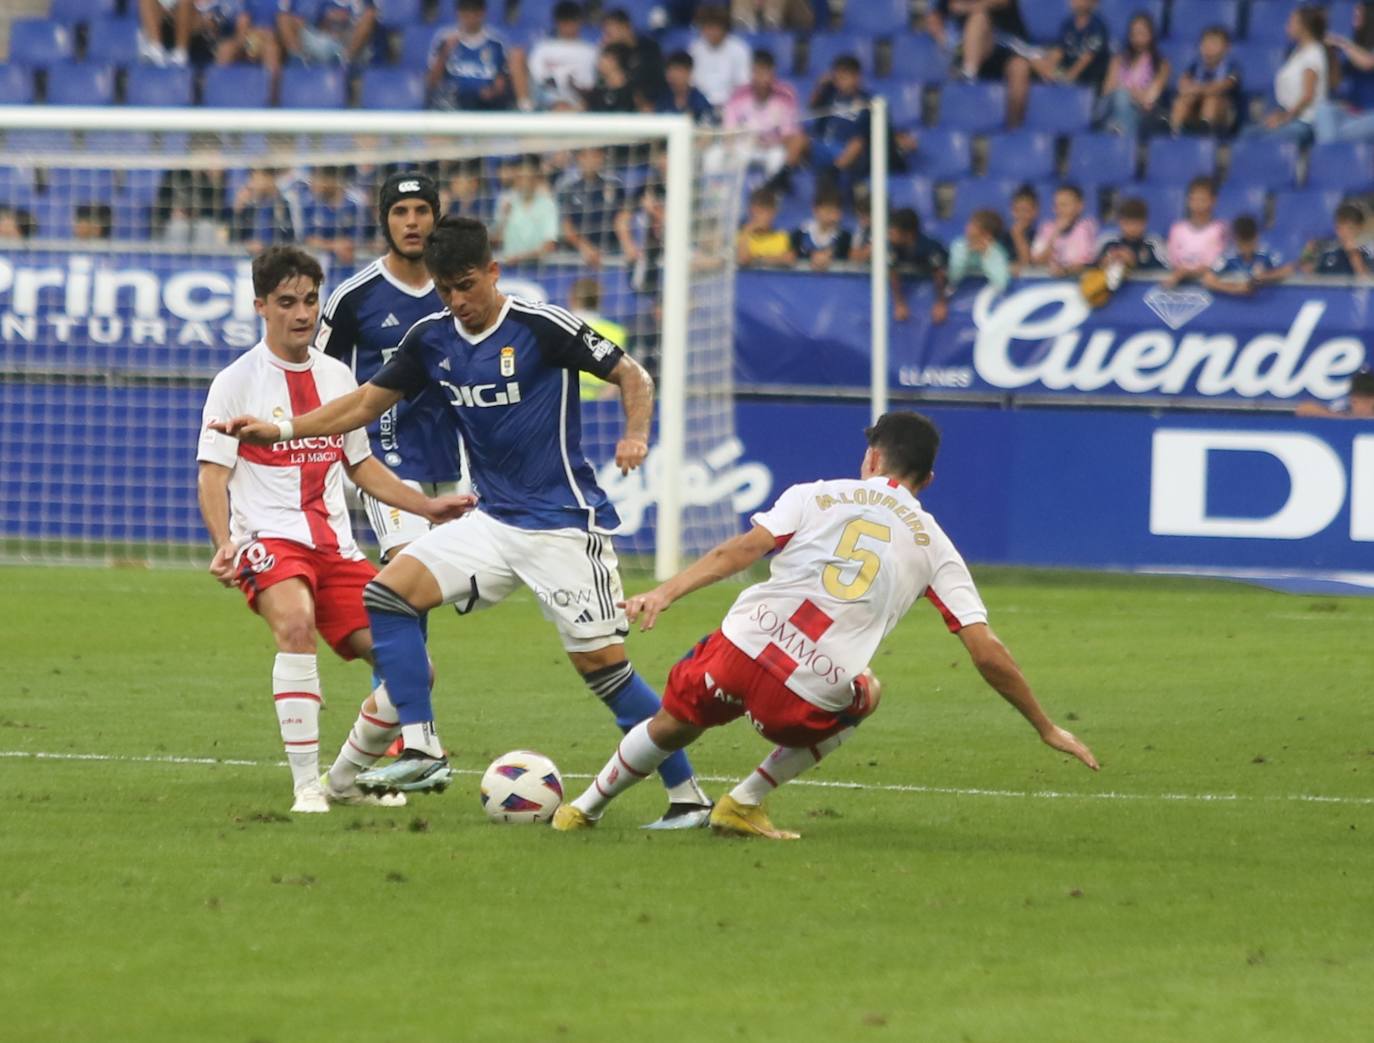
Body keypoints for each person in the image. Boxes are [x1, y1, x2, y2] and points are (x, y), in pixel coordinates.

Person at [212, 216, 715, 828]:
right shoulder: (432, 337)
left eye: (468, 286)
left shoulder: (540, 325)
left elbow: (632, 373)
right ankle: (422, 746)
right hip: (493, 520)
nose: (458, 301)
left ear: (493, 273)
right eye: (446, 289)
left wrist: (635, 435)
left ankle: (687, 795)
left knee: (605, 670)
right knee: (389, 594)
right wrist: (284, 429)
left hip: (562, 526)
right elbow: (366, 403)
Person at [550, 412, 1099, 838]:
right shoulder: (936, 546)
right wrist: (1044, 725)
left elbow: (742, 550)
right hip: (807, 693)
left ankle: (582, 810)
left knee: (676, 721)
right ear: (926, 479)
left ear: (872, 458)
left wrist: (664, 592)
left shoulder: (814, 493)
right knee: (869, 692)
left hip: (742, 648)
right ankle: (743, 802)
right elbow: (985, 650)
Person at [197, 245, 474, 812]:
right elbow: (212, 473)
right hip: (268, 541)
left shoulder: (337, 375)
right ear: (261, 307)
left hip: (336, 548)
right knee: (295, 624)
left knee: (413, 667)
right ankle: (305, 785)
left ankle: (343, 781)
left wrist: (427, 509)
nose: (301, 313)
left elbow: (362, 465)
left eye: (310, 300)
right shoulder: (235, 381)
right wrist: (224, 543)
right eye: (287, 302)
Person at [317, 171, 462, 569]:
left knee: (464, 583)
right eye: (400, 212)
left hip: (457, 456)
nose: (411, 222)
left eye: (421, 211)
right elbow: (318, 374)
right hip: (387, 454)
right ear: (385, 220)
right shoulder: (354, 297)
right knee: (408, 567)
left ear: (436, 218)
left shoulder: (460, 290)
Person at [1246, 5, 1329, 143]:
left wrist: (1284, 118)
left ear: (1304, 26)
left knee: (1267, 141)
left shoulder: (1314, 53)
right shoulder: (1298, 51)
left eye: (1292, 22)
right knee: (1247, 134)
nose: (1287, 25)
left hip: (1305, 122)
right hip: (1292, 117)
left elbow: (1308, 95)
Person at [723, 49, 804, 177]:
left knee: (778, 157)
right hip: (745, 147)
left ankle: (772, 193)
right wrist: (737, 145)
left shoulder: (785, 96)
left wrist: (770, 143)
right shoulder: (738, 96)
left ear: (773, 73)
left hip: (772, 148)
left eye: (766, 73)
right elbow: (729, 130)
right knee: (721, 155)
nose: (762, 78)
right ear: (752, 72)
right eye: (758, 72)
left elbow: (788, 134)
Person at [427, 0, 514, 111]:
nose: (470, 19)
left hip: (485, 104)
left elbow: (501, 82)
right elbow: (431, 82)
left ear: (482, 14)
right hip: (452, 104)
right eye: (465, 14)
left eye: (474, 14)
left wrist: (492, 92)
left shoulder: (496, 44)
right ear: (458, 14)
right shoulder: (445, 40)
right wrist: (445, 52)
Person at [1094, 11, 1170, 138]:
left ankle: (1119, 134)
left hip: (1143, 114)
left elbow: (1149, 99)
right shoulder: (1118, 60)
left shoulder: (1162, 64)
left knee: (1122, 96)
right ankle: (1118, 132)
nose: (1137, 38)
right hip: (1112, 108)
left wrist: (1128, 92)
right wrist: (1131, 92)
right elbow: (1107, 92)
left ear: (1151, 35)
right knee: (1119, 97)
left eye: (1142, 33)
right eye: (1134, 33)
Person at [515, 0, 597, 112]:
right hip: (547, 104)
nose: (568, 25)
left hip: (579, 105)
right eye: (564, 21)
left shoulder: (591, 51)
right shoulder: (542, 48)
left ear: (579, 21)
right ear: (557, 22)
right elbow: (538, 81)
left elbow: (593, 85)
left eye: (572, 20)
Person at [934, 209, 1011, 324]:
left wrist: (986, 255)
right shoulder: (959, 246)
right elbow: (953, 277)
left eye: (973, 225)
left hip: (988, 307)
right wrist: (967, 253)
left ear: (986, 233)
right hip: (958, 303)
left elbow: (1002, 283)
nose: (968, 227)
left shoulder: (997, 252)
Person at [558, 147, 627, 268]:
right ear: (578, 159)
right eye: (586, 156)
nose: (591, 161)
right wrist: (585, 247)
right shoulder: (568, 189)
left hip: (611, 254)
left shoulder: (615, 186)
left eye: (596, 156)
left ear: (602, 158)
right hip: (577, 256)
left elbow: (621, 220)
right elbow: (566, 227)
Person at [1169, 25, 1241, 136]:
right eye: (1206, 43)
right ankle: (1175, 135)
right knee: (1183, 100)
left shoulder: (1231, 67)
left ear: (1227, 48)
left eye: (1215, 44)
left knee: (1211, 100)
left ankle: (1206, 139)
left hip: (1225, 115)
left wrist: (1196, 89)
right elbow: (1182, 85)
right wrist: (1194, 91)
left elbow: (1221, 86)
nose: (1209, 48)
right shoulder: (1195, 65)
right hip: (1195, 108)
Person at [1027, 0, 1111, 93]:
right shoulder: (1068, 23)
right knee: (1034, 61)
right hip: (1066, 70)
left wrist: (1069, 76)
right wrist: (1048, 64)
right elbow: (1060, 49)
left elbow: (1088, 57)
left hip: (1087, 77)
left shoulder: (1097, 26)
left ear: (1093, 3)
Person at [1319, 2, 1374, 142]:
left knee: (1334, 134)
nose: (1354, 18)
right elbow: (1335, 82)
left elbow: (1368, 63)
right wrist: (1329, 53)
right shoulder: (1355, 47)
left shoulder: (1350, 48)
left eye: (1359, 14)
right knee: (1324, 110)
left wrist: (1342, 43)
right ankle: (1333, 147)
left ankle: (1331, 148)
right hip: (1355, 113)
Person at [569, 277, 629, 402]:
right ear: (599, 300)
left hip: (566, 400)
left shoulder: (561, 327)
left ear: (572, 298)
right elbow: (622, 374)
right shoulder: (616, 331)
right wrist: (601, 402)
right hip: (602, 403)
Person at [492, 155, 559, 265]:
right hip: (510, 268)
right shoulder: (506, 202)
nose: (523, 183)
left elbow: (549, 245)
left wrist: (521, 258)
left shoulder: (548, 205)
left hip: (538, 269)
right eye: (519, 178)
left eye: (527, 178)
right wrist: (504, 218)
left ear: (536, 179)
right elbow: (497, 238)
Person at [1203, 214, 1292, 295]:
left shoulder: (1267, 254)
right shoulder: (1227, 257)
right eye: (1242, 244)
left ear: (1256, 237)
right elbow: (1208, 279)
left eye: (1250, 244)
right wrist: (1234, 288)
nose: (1246, 249)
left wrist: (1265, 276)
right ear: (1235, 239)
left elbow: (1287, 270)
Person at [1164, 176, 1227, 284]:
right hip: (1179, 285)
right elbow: (1172, 260)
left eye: (1202, 199)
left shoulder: (1220, 230)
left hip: (1208, 287)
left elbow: (1216, 262)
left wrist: (1186, 272)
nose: (1198, 204)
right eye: (1194, 199)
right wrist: (1180, 272)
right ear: (1188, 200)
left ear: (1213, 201)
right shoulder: (1177, 229)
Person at [277, 0, 377, 67]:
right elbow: (313, 19)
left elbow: (366, 18)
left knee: (369, 16)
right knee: (283, 18)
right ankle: (301, 61)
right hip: (321, 38)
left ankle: (346, 61)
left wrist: (343, 22)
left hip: (348, 41)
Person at [300, 166, 367, 265]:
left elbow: (357, 238)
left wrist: (342, 245)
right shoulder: (309, 205)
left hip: (348, 260)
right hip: (318, 261)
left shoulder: (354, 205)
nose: (313, 184)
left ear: (333, 181)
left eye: (319, 179)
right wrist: (334, 246)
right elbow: (308, 239)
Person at [890, 207, 948, 323]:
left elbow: (940, 274)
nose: (889, 234)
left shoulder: (931, 247)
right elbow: (892, 272)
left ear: (908, 234)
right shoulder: (891, 247)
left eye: (893, 232)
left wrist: (941, 303)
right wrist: (899, 303)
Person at [600, 7, 666, 106]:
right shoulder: (612, 54)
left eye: (609, 33)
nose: (606, 38)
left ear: (625, 27)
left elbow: (655, 83)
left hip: (649, 108)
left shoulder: (649, 49)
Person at [689, 4, 752, 108]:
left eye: (716, 27)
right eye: (707, 27)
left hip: (732, 106)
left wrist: (729, 105)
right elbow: (692, 83)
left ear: (724, 28)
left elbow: (743, 84)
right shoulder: (694, 50)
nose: (712, 32)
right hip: (701, 106)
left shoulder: (739, 49)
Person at [1031, 183, 1098, 276]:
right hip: (1048, 281)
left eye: (1064, 205)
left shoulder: (1086, 227)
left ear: (1079, 206)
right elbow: (1037, 262)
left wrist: (1065, 271)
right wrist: (1055, 234)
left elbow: (1085, 264)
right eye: (1056, 205)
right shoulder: (1046, 228)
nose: (1059, 210)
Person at [1094, 197, 1168, 273]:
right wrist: (1102, 263)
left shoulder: (1154, 243)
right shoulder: (1107, 241)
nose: (1132, 228)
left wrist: (1135, 262)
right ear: (1119, 222)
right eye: (1127, 223)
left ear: (1145, 223)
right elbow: (1089, 267)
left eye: (1137, 224)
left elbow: (1167, 270)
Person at [789, 185, 852, 271]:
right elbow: (791, 257)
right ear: (815, 210)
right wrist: (811, 256)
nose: (832, 216)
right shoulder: (799, 235)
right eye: (828, 211)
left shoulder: (846, 237)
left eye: (836, 211)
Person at [232, 168, 295, 252]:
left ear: (269, 179)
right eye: (251, 179)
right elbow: (234, 239)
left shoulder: (283, 204)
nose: (251, 184)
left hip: (273, 258)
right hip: (247, 257)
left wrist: (265, 246)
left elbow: (289, 239)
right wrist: (238, 212)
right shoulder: (250, 206)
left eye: (256, 179)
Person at [1305, 202, 1373, 276]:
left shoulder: (1368, 251)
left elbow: (1366, 280)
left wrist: (1353, 253)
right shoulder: (1329, 252)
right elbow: (1313, 278)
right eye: (1339, 228)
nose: (1343, 234)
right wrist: (1308, 255)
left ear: (1359, 228)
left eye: (1350, 228)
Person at [737, 187, 796, 267]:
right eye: (756, 211)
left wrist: (755, 259)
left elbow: (788, 258)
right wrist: (747, 230)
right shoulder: (740, 236)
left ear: (773, 213)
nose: (758, 217)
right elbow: (742, 259)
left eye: (763, 212)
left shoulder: (782, 237)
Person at [655, 50, 716, 122]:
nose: (672, 76)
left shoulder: (699, 101)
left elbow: (709, 126)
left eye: (677, 70)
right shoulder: (663, 99)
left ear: (688, 72)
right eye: (669, 71)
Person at [584, 43, 638, 112]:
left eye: (605, 57)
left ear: (615, 61)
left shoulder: (632, 92)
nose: (600, 61)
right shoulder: (598, 89)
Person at [1297, 369, 1374, 417]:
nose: (1362, 407)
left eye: (1366, 402)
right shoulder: (1343, 410)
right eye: (1355, 402)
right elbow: (1305, 408)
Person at [1006, 182, 1039, 272]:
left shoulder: (1039, 237)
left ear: (1035, 211)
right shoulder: (1003, 237)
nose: (1022, 215)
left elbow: (1027, 264)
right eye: (1018, 210)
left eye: (1026, 210)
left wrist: (1018, 235)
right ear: (1012, 211)